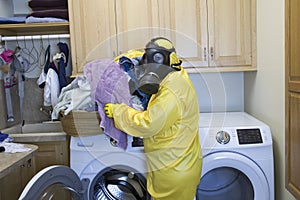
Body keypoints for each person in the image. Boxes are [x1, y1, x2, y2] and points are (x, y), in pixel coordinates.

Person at [104, 37, 202, 200]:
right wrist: (136, 57)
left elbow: (148, 124)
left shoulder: (171, 93)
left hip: (175, 172)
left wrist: (118, 111)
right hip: (178, 165)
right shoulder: (177, 75)